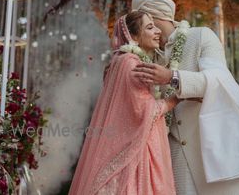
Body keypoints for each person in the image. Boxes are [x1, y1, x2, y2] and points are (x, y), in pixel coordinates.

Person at [132, 0, 239, 195]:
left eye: (142, 22)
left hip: (218, 148)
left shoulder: (201, 36)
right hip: (175, 155)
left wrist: (171, 76)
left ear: (154, 17)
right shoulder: (145, 57)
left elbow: (218, 81)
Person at [69, 11, 179, 195]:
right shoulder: (131, 63)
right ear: (133, 36)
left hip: (135, 142)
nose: (158, 31)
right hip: (137, 153)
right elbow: (145, 110)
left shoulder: (121, 61)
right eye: (150, 27)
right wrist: (176, 99)